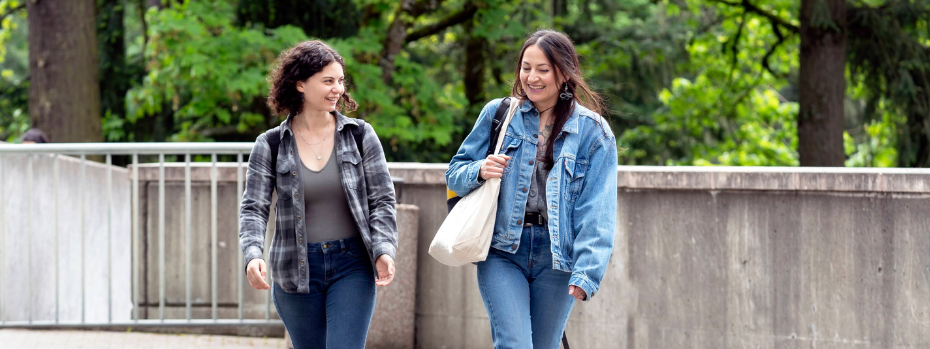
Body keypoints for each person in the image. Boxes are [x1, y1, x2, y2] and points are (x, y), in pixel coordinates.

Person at [446, 29, 618, 348]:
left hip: (557, 258)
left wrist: (587, 272)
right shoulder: (499, 115)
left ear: (564, 73)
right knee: (514, 343)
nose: (532, 77)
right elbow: (454, 173)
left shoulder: (594, 134)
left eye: (543, 69)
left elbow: (598, 210)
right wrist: (480, 169)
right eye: (526, 67)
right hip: (502, 250)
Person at [238, 40, 398, 349]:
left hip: (352, 264)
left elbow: (382, 200)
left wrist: (384, 248)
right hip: (294, 268)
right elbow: (253, 208)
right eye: (328, 81)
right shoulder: (270, 144)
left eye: (340, 80)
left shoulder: (360, 135)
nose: (337, 88)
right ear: (300, 84)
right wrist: (252, 254)